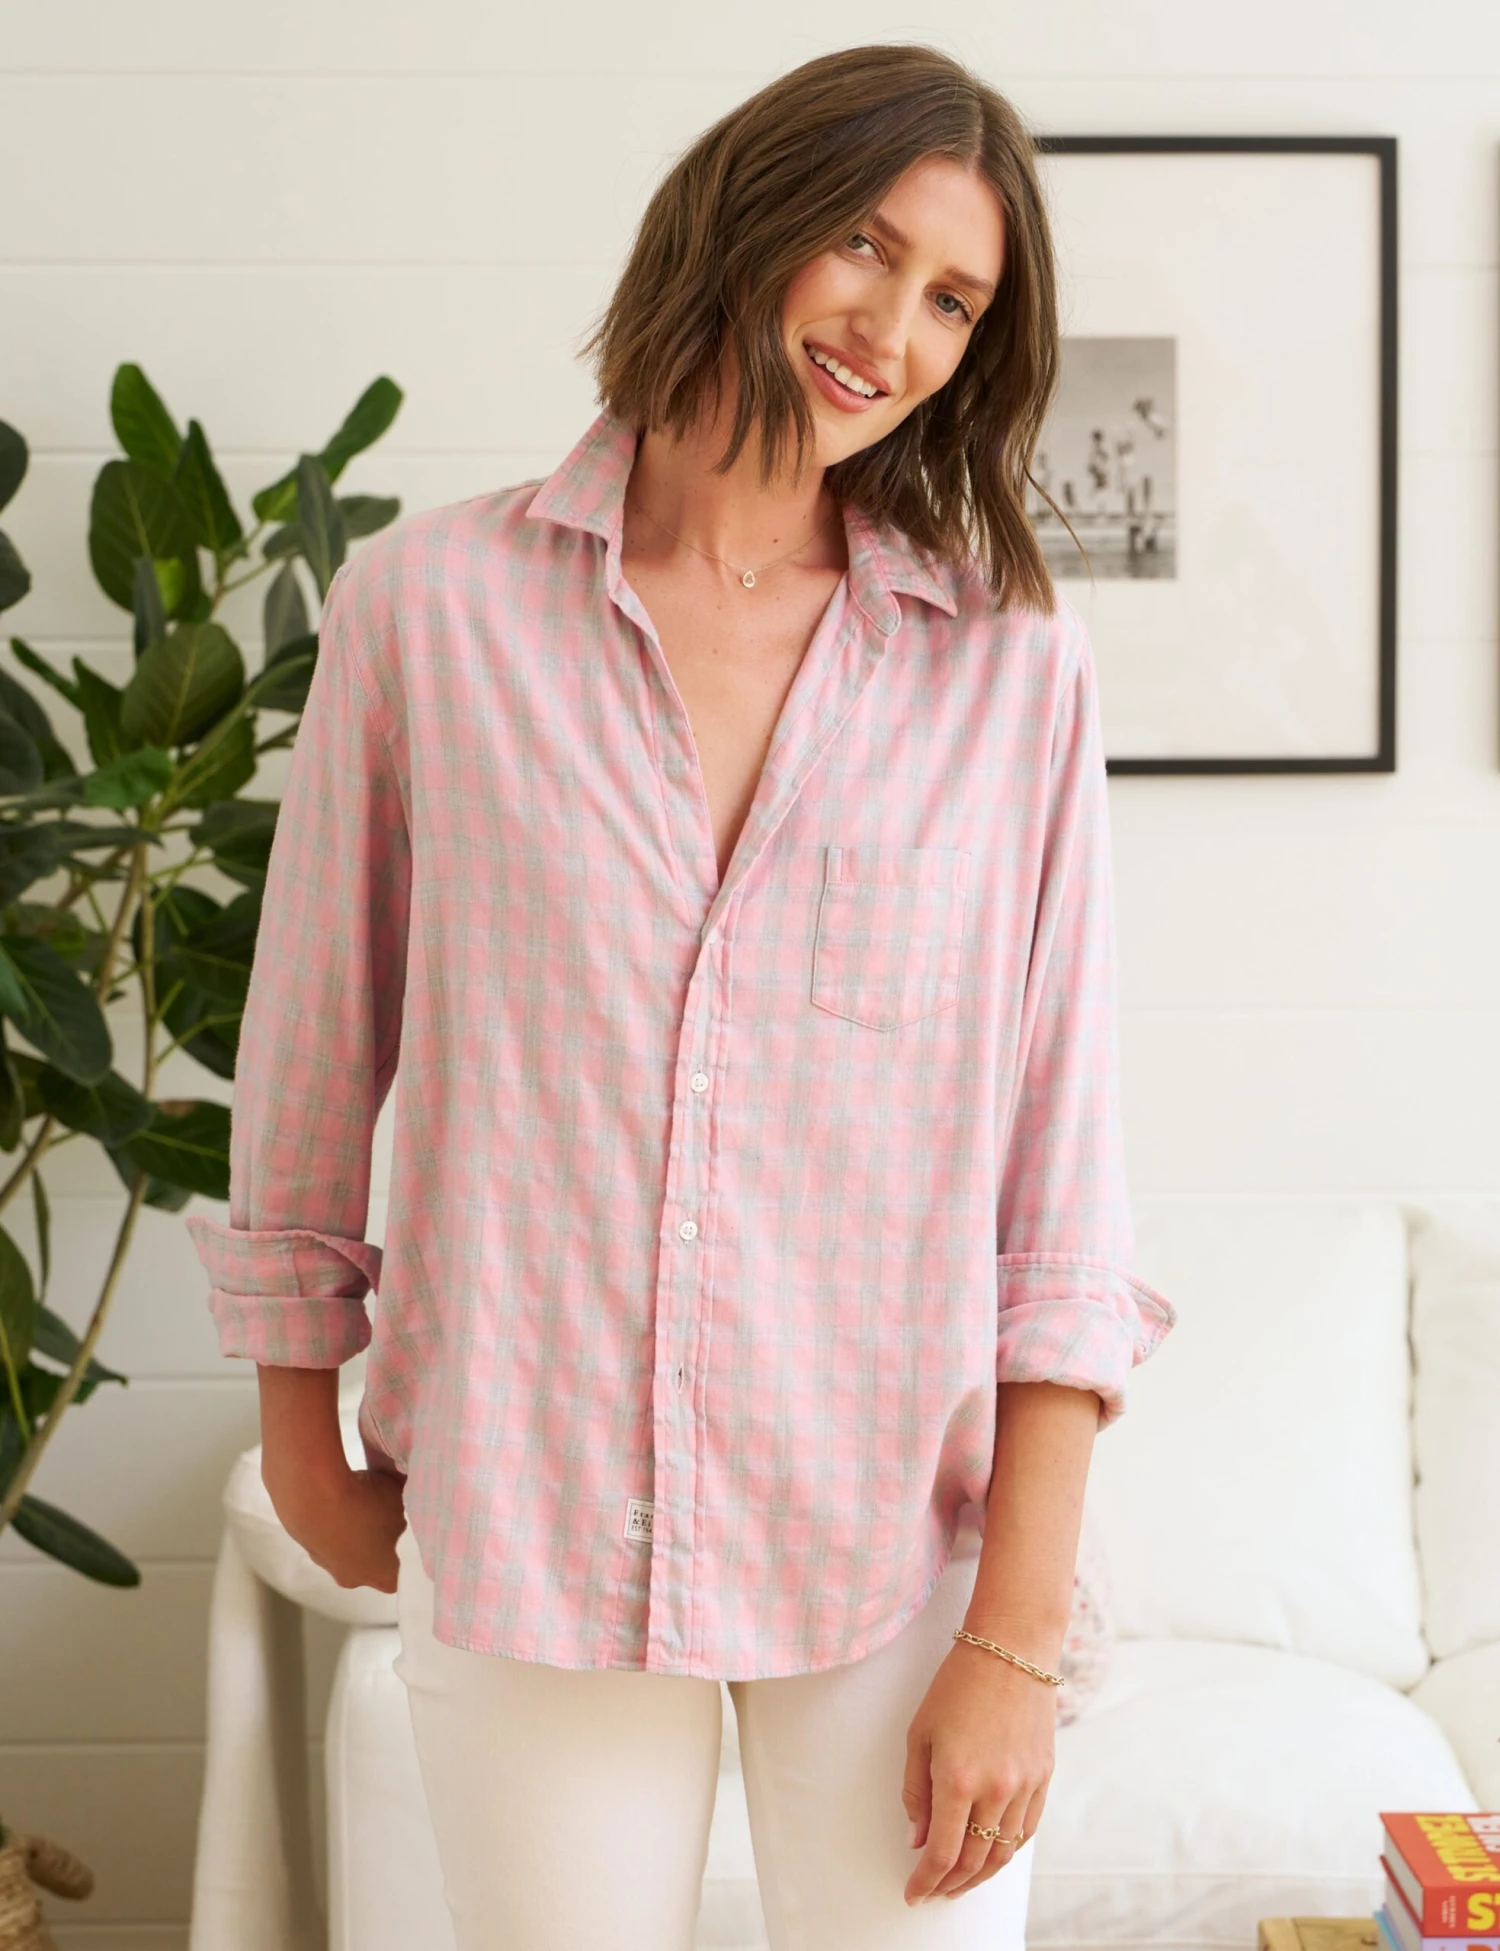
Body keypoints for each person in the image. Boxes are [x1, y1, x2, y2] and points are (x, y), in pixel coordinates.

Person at [186, 41, 1176, 1951]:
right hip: (530, 1510)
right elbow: (311, 1047)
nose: (892, 328)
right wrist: (306, 1439)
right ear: (748, 215)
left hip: (895, 1544)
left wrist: (1016, 1634)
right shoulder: (429, 612)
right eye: (865, 246)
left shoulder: (1008, 670)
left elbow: (1059, 1174)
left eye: (954, 299)